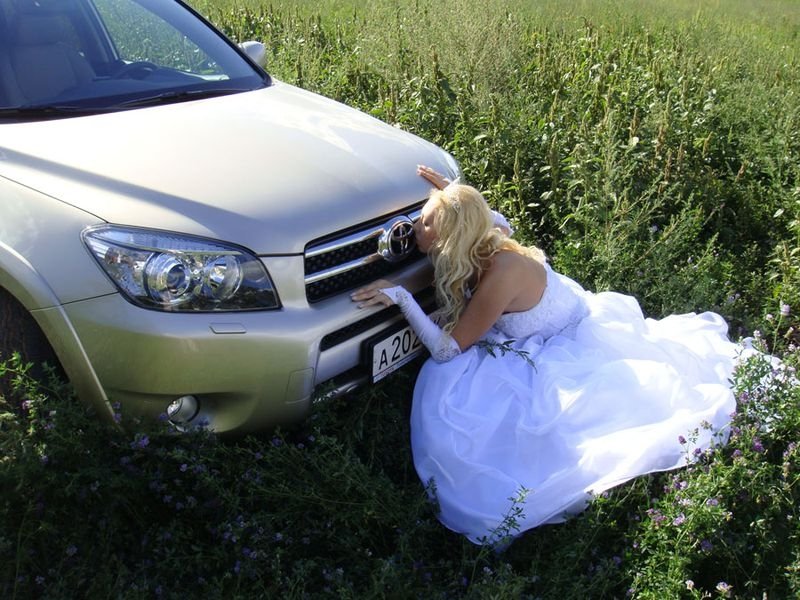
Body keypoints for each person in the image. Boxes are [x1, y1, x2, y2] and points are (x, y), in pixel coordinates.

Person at [351, 167, 744, 545]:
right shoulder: (483, 240)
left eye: (424, 223)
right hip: (530, 320)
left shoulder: (501, 273)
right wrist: (455, 199)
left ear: (453, 234)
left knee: (495, 409)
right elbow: (495, 223)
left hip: (564, 342)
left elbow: (444, 351)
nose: (415, 229)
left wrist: (400, 296)